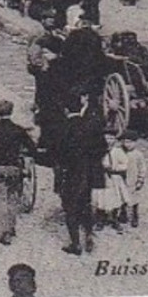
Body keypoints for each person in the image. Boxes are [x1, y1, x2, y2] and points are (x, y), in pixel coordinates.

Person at [51, 90, 106, 255]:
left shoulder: (62, 128)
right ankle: (89, 235)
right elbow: (102, 147)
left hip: (70, 173)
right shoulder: (91, 124)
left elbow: (56, 153)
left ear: (66, 110)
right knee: (86, 204)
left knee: (70, 207)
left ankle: (75, 244)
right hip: (88, 172)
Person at [0, 99, 38, 244]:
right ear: (11, 111)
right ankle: (11, 227)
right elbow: (32, 149)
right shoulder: (18, 130)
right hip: (15, 168)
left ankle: (2, 231)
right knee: (13, 198)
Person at [95, 133, 129, 231]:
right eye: (106, 138)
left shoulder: (118, 151)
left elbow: (125, 164)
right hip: (102, 177)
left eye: (111, 138)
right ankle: (100, 219)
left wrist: (115, 168)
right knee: (101, 198)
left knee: (116, 197)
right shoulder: (99, 150)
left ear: (115, 139)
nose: (108, 140)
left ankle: (114, 219)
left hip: (115, 177)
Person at [120, 132, 146, 228]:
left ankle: (135, 216)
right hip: (122, 178)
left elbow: (142, 168)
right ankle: (123, 214)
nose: (127, 144)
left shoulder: (138, 154)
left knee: (134, 198)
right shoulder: (120, 152)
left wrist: (140, 179)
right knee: (122, 196)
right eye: (125, 142)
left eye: (130, 142)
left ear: (135, 143)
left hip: (133, 179)